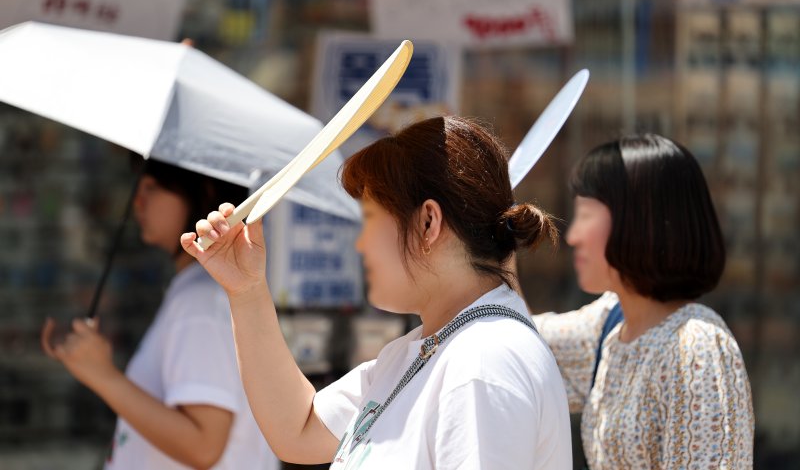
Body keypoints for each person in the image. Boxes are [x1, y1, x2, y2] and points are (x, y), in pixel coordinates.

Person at [181, 116, 572, 469]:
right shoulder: (423, 350)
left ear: (428, 223)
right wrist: (247, 290)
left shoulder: (483, 362)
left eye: (369, 219)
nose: (360, 245)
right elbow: (297, 429)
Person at [531, 133, 754, 469]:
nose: (573, 235)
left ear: (639, 221)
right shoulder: (612, 321)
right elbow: (521, 338)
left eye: (586, 214)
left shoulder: (696, 346)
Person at [41, 159, 280, 470]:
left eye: (152, 188)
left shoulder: (200, 301)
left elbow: (204, 446)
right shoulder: (196, 292)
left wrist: (102, 374)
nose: (137, 202)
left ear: (202, 192)